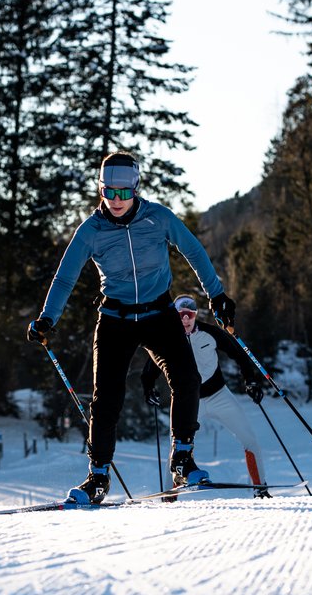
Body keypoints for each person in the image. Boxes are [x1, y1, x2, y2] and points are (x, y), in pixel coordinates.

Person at [26, 151, 235, 504]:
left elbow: (194, 252)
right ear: (100, 190)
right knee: (106, 399)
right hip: (115, 320)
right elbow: (65, 278)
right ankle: (97, 477)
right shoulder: (90, 231)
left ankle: (183, 460)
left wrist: (217, 294)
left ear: (136, 188)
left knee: (187, 378)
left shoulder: (159, 218)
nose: (116, 199)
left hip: (159, 314)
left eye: (124, 192)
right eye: (108, 192)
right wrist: (48, 318)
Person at [141, 295, 272, 498]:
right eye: (181, 315)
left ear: (195, 315)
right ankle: (169, 497)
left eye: (189, 315)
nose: (186, 319)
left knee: (250, 440)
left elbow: (239, 354)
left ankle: (260, 490)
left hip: (220, 395)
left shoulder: (210, 332)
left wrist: (251, 381)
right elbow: (151, 368)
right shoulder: (168, 339)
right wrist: (149, 388)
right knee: (177, 448)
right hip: (189, 402)